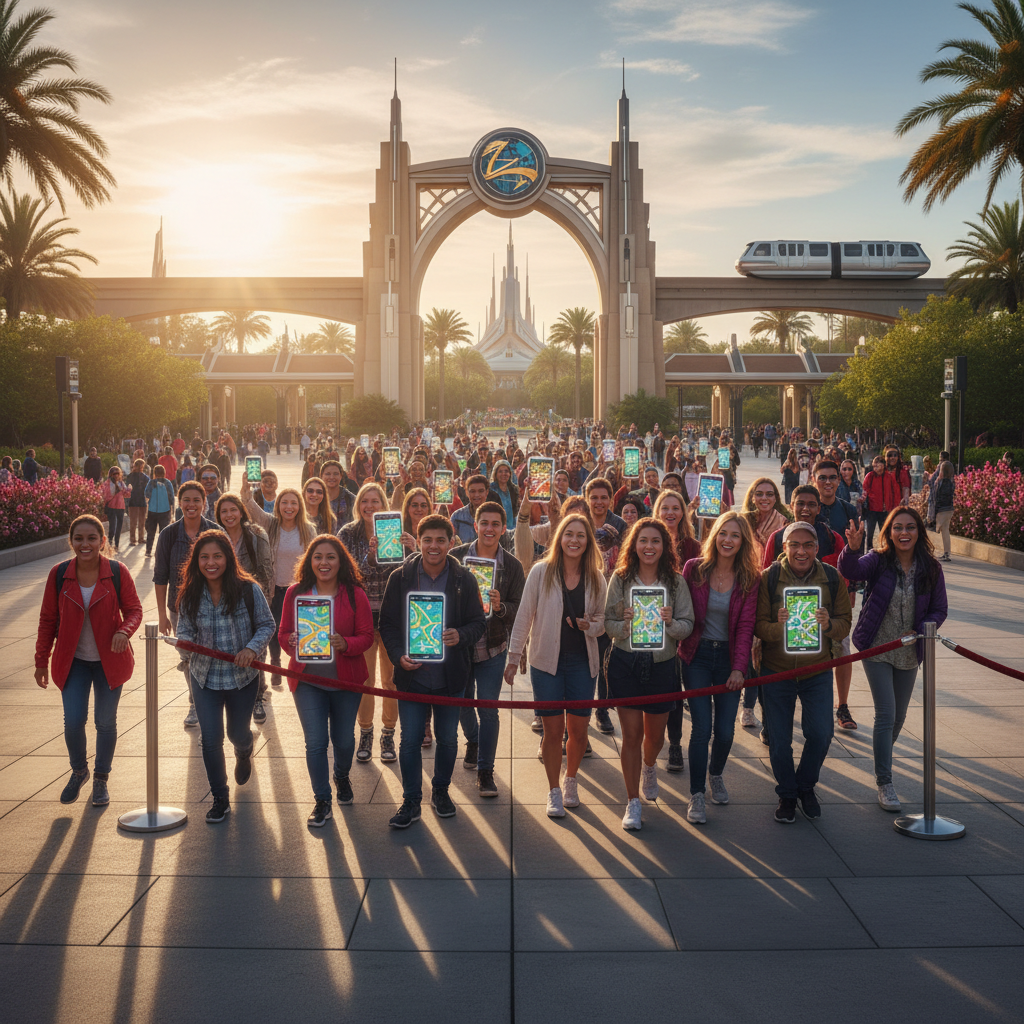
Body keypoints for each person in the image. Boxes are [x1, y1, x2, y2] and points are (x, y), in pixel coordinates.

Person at [378, 514, 487, 828]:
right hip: (413, 675)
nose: (434, 546)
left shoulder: (464, 578)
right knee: (410, 740)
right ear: (418, 539)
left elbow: (478, 622)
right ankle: (411, 799)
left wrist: (460, 635)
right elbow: (387, 624)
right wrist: (398, 656)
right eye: (428, 540)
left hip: (450, 678)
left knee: (448, 740)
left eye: (441, 540)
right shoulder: (400, 577)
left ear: (451, 543)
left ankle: (440, 790)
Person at [839, 509, 947, 813]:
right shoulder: (878, 559)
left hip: (910, 650)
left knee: (898, 718)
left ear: (918, 532)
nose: (904, 533)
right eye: (898, 527)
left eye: (910, 527)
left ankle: (881, 756)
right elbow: (852, 571)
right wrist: (853, 547)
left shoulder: (932, 568)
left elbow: (940, 608)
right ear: (889, 532)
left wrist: (925, 626)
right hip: (876, 646)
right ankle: (885, 782)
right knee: (885, 715)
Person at [34, 514, 144, 806]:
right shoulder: (59, 574)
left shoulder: (117, 572)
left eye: (92, 538)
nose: (85, 544)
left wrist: (124, 630)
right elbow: (47, 620)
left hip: (111, 661)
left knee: (105, 722)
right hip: (73, 663)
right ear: (71, 542)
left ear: (102, 541)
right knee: (73, 722)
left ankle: (100, 779)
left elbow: (134, 610)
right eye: (79, 539)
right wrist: (41, 660)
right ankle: (79, 770)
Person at [505, 514, 607, 818]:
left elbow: (602, 623)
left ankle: (571, 779)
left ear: (588, 542)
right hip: (546, 664)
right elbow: (524, 617)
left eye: (581, 535)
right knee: (552, 731)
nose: (574, 540)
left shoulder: (596, 577)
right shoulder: (540, 572)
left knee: (578, 729)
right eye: (569, 534)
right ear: (559, 538)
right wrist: (513, 658)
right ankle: (553, 790)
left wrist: (589, 625)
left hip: (581, 663)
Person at [174, 531, 276, 824]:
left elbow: (266, 625)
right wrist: (184, 644)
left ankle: (245, 750)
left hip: (242, 677)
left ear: (228, 558)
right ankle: (220, 797)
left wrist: (251, 649)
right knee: (210, 739)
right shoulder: (191, 592)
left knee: (236, 733)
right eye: (204, 557)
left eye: (217, 556)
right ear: (196, 561)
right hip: (204, 677)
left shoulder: (247, 589)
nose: (211, 562)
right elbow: (185, 630)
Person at [755, 520, 852, 824]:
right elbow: (757, 625)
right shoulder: (768, 578)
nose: (801, 551)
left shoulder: (833, 578)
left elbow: (845, 624)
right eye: (794, 544)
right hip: (777, 671)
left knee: (821, 735)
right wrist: (777, 626)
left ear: (817, 548)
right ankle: (787, 793)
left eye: (807, 545)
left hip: (816, 671)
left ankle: (805, 786)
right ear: (784, 548)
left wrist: (828, 625)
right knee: (780, 740)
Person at [603, 518, 694, 830]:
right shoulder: (621, 578)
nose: (649, 547)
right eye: (643, 540)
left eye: (655, 541)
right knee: (631, 736)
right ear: (634, 544)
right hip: (626, 663)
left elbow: (687, 625)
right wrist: (625, 623)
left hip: (662, 665)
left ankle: (650, 765)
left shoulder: (676, 583)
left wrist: (670, 623)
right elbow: (608, 623)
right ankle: (632, 801)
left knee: (654, 738)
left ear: (664, 546)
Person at [279, 535, 375, 826]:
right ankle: (322, 800)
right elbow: (283, 634)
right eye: (318, 556)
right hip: (308, 680)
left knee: (344, 741)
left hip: (346, 682)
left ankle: (342, 775)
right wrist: (292, 641)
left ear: (341, 561)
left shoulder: (355, 594)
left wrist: (345, 644)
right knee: (316, 742)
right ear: (310, 560)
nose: (324, 562)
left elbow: (367, 637)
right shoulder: (296, 592)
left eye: (330, 557)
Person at [678, 512, 760, 824]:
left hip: (729, 659)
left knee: (725, 731)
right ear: (715, 536)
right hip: (697, 656)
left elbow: (746, 627)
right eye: (723, 533)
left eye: (735, 535)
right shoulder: (694, 569)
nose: (728, 540)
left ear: (743, 541)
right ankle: (696, 794)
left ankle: (716, 774)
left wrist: (740, 668)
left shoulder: (750, 578)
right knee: (701, 728)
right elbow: (685, 613)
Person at [450, 500, 525, 797]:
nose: (490, 529)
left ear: (503, 528)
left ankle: (486, 771)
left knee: (489, 710)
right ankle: (474, 740)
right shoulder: (456, 558)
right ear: (476, 524)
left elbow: (519, 608)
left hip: (493, 647)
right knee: (461, 704)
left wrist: (501, 607)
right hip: (461, 647)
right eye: (485, 523)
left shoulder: (512, 565)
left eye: (496, 524)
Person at [339, 482, 400, 764]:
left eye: (375, 501)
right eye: (365, 501)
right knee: (364, 680)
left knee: (391, 680)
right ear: (358, 505)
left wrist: (403, 547)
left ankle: (388, 733)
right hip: (360, 617)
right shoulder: (347, 533)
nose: (370, 506)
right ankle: (366, 731)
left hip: (390, 617)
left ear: (383, 504)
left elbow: (399, 572)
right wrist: (370, 555)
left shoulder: (393, 528)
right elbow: (350, 574)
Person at [154, 481, 221, 725]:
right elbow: (161, 577)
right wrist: (162, 614)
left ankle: (209, 702)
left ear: (204, 503)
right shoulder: (168, 534)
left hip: (212, 606)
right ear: (179, 503)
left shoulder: (214, 532)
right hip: (179, 608)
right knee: (188, 656)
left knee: (209, 655)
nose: (191, 505)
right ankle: (195, 704)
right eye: (186, 500)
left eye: (196, 500)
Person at [240, 479, 317, 689]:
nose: (289, 507)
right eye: (284, 503)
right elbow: (252, 510)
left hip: (300, 590)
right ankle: (275, 663)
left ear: (299, 506)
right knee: (273, 628)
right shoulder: (271, 524)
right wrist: (246, 494)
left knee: (302, 629)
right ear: (278, 506)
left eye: (293, 503)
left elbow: (315, 559)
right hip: (275, 589)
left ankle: (303, 668)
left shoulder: (308, 530)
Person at [215, 493, 274, 724]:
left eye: (232, 510)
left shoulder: (257, 534)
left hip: (252, 598)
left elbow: (266, 568)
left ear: (241, 511)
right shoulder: (216, 536)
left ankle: (258, 697)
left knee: (257, 648)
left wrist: (264, 600)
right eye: (224, 512)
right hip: (222, 601)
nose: (229, 515)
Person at [862, 454, 901, 550]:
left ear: (883, 465)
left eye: (878, 465)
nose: (875, 468)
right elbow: (864, 490)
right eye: (874, 466)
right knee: (870, 533)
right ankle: (869, 550)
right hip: (872, 509)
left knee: (885, 532)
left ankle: (885, 549)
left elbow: (895, 492)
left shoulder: (889, 477)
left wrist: (894, 507)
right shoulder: (870, 476)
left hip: (884, 510)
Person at [143, 465, 175, 556]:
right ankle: (162, 552)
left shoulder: (151, 482)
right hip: (165, 510)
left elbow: (146, 494)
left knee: (151, 532)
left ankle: (148, 551)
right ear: (164, 473)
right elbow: (172, 497)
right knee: (163, 533)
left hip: (152, 510)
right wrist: (172, 511)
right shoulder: (167, 483)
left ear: (155, 473)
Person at [320, 460, 356, 529]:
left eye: (336, 474)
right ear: (321, 476)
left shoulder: (351, 499)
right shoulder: (315, 498)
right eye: (328, 474)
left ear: (341, 476)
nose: (331, 477)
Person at [101, 465, 129, 553]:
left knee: (119, 526)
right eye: (114, 474)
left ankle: (116, 544)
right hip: (111, 507)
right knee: (112, 526)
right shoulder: (107, 483)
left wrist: (128, 489)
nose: (116, 475)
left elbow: (126, 495)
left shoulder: (121, 483)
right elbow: (103, 495)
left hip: (120, 506)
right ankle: (109, 543)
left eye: (117, 473)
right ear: (111, 475)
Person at [932, 461, 955, 562]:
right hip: (949, 509)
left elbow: (937, 497)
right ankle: (947, 553)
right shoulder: (951, 482)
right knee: (945, 530)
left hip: (941, 510)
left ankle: (929, 551)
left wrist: (935, 510)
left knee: (932, 529)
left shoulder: (941, 483)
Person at [125, 459, 150, 546]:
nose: (140, 468)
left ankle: (138, 539)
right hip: (135, 500)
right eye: (140, 466)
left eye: (141, 466)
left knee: (138, 521)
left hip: (139, 500)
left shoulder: (132, 476)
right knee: (136, 521)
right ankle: (136, 539)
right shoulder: (134, 476)